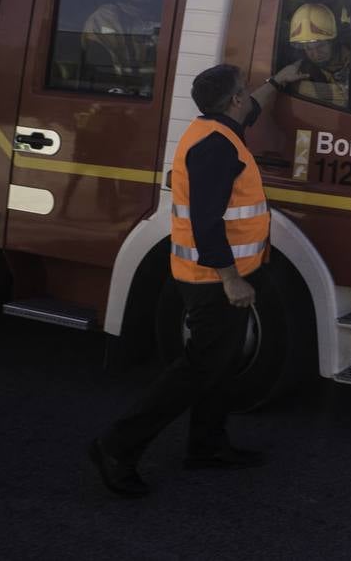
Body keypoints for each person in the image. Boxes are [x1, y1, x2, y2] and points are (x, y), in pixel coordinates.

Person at [89, 60, 305, 498]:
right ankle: (116, 446)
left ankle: (207, 446)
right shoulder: (215, 147)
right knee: (194, 372)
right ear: (232, 100)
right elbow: (207, 223)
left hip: (219, 274)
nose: (249, 96)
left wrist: (278, 82)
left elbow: (254, 106)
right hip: (211, 279)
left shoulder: (218, 129)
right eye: (244, 90)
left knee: (218, 365)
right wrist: (231, 280)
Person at [80, 0, 162, 95]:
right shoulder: (104, 17)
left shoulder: (150, 20)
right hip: (111, 90)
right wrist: (115, 89)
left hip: (144, 90)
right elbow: (98, 60)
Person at [288, 2, 351, 106]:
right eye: (308, 48)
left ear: (333, 42)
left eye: (320, 46)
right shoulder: (300, 73)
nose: (316, 54)